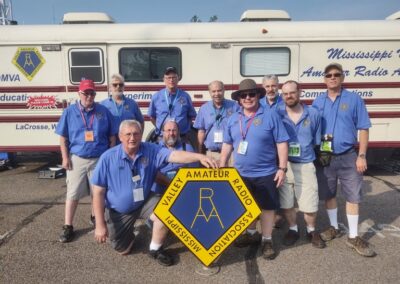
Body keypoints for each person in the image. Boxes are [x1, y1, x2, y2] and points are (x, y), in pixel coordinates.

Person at [91, 120, 217, 266]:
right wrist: (99, 225)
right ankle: (129, 235)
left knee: (166, 210)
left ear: (141, 135)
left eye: (136, 133)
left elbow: (174, 155)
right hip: (119, 211)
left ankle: (155, 249)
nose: (132, 138)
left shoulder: (151, 150)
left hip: (144, 200)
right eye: (128, 134)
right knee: (123, 250)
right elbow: (98, 193)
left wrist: (200, 157)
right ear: (120, 137)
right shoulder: (107, 158)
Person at [219, 79, 289, 260]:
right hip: (241, 173)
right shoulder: (233, 119)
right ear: (239, 99)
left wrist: (282, 168)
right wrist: (222, 166)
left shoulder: (270, 115)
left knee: (267, 208)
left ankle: (266, 239)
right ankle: (251, 234)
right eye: (244, 95)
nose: (248, 98)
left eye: (251, 94)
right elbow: (227, 144)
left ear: (258, 95)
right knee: (246, 207)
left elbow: (282, 142)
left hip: (266, 173)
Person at [312, 63, 376, 257]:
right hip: (324, 156)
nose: (332, 77)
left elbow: (363, 128)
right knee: (329, 194)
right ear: (324, 79)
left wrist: (362, 155)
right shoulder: (318, 101)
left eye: (336, 74)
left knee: (353, 196)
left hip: (349, 155)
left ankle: (354, 236)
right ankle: (333, 227)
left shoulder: (354, 99)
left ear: (342, 77)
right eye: (329, 75)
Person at [55, 79, 117, 243]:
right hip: (78, 159)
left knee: (98, 192)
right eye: (86, 93)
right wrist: (65, 157)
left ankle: (95, 217)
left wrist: (109, 156)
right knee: (73, 193)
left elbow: (112, 136)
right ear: (79, 93)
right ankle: (68, 226)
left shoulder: (103, 111)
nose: (89, 96)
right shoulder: (69, 112)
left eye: (92, 93)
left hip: (99, 159)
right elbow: (63, 137)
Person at [277, 80, 325, 249]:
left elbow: (316, 140)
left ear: (300, 92)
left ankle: (311, 231)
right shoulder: (277, 113)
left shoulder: (313, 114)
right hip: (284, 165)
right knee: (287, 202)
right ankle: (293, 229)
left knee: (310, 202)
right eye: (285, 93)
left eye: (292, 92)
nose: (289, 96)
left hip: (305, 163)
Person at [193, 80, 239, 164]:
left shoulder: (234, 106)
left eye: (219, 91)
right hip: (211, 155)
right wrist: (200, 153)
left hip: (231, 154)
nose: (217, 94)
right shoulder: (204, 108)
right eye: (213, 91)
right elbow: (201, 131)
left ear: (224, 90)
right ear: (209, 92)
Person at [148, 67, 197, 142]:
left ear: (178, 79)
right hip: (162, 138)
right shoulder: (156, 96)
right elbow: (151, 117)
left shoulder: (185, 96)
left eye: (174, 77)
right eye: (168, 78)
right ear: (164, 79)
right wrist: (161, 128)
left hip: (182, 138)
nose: (171, 80)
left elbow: (191, 116)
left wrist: (185, 129)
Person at [151, 120, 198, 195]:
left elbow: (194, 172)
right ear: (162, 133)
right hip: (159, 194)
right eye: (168, 130)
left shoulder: (187, 148)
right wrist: (170, 184)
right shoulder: (153, 149)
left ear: (178, 133)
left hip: (181, 192)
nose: (171, 133)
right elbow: (151, 173)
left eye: (174, 130)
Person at [101, 73, 144, 142]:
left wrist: (139, 137)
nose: (118, 87)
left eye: (121, 85)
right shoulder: (103, 105)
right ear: (109, 88)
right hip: (111, 144)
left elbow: (141, 122)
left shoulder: (132, 103)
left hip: (129, 142)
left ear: (124, 87)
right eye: (115, 85)